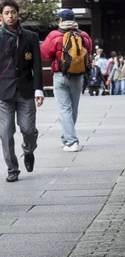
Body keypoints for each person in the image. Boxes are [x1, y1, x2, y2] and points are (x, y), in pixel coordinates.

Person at [0, 0, 44, 182]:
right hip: (4, 93)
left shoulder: (30, 37)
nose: (10, 16)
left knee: (28, 130)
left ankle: (28, 151)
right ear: (1, 16)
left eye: (13, 12)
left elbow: (37, 65)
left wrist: (39, 90)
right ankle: (12, 169)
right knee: (6, 133)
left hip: (26, 91)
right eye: (6, 13)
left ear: (18, 14)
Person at [40, 9, 92, 152]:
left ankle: (72, 141)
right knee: (73, 109)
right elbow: (89, 52)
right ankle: (66, 139)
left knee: (64, 109)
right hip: (78, 75)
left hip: (60, 75)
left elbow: (44, 54)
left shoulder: (54, 35)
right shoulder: (84, 35)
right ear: (74, 20)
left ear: (60, 21)